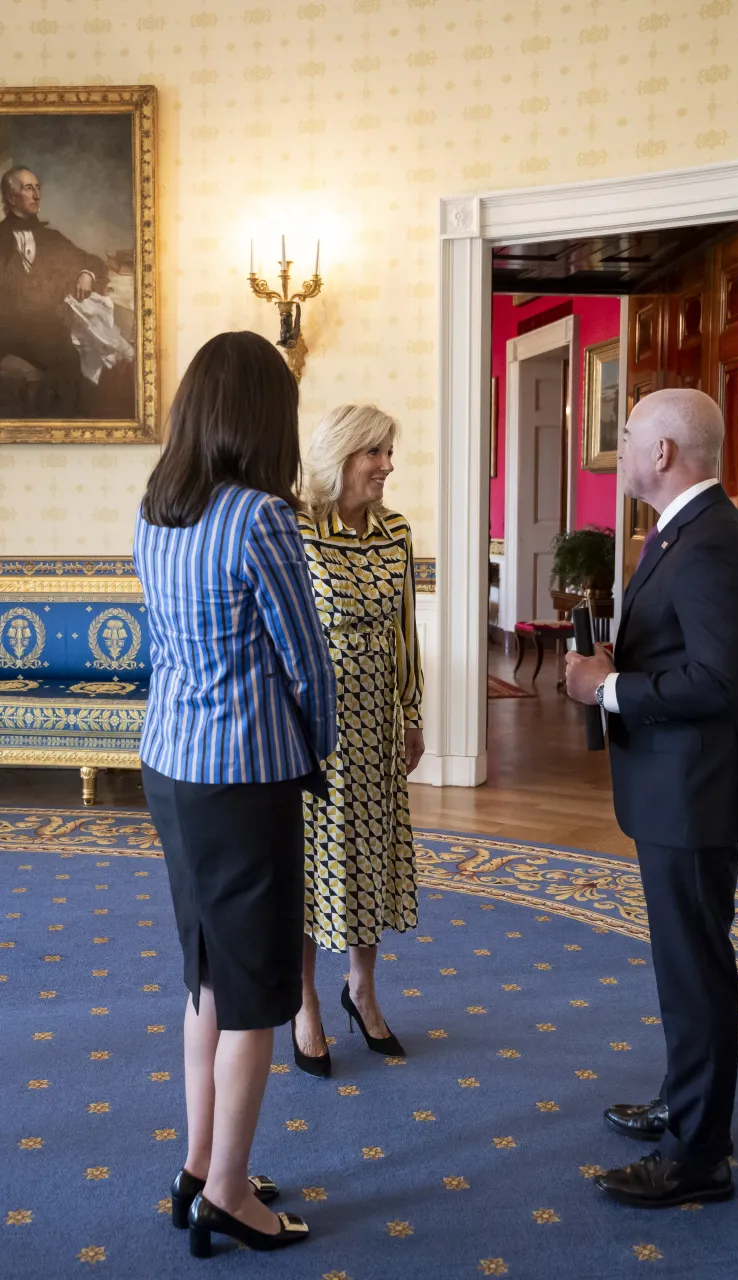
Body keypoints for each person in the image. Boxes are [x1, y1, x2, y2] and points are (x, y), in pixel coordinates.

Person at [133, 331, 337, 1256]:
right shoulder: (261, 517)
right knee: (255, 992)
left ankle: (198, 1163)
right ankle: (226, 1193)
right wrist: (323, 754)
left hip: (170, 765)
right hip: (243, 776)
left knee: (207, 975)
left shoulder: (155, 508)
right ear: (266, 417)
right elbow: (306, 657)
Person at [564, 388, 738, 1209]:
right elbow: (684, 649)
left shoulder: (714, 542)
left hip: (695, 791)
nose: (616, 446)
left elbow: (718, 681)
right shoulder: (679, 531)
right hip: (673, 786)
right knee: (684, 962)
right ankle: (683, 1103)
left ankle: (698, 1156)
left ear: (661, 454)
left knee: (694, 969)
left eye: (624, 437)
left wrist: (610, 687)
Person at [291, 403, 425, 1076]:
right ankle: (304, 1002)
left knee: (369, 853)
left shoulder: (396, 529)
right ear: (339, 456)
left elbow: (405, 628)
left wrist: (411, 711)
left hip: (377, 719)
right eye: (374, 452)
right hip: (314, 721)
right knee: (315, 865)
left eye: (387, 451)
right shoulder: (297, 528)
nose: (386, 465)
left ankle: (361, 989)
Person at [0, 166, 105, 415]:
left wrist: (86, 274)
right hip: (4, 330)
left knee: (73, 365)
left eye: (38, 188)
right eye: (28, 188)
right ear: (11, 197)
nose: (37, 195)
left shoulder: (52, 239)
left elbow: (92, 261)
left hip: (44, 332)